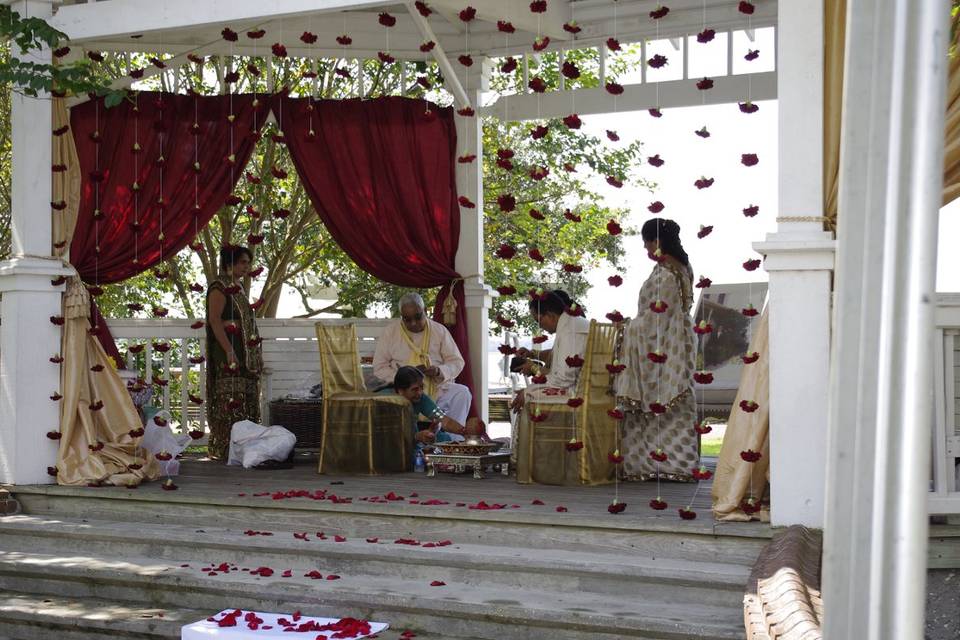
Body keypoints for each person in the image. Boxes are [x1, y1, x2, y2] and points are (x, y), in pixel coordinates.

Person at [616, 218, 698, 481]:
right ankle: (677, 465)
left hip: (662, 348)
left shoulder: (664, 275)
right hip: (679, 345)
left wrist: (626, 328)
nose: (646, 250)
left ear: (656, 241)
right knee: (675, 404)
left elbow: (654, 322)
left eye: (646, 243)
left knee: (654, 405)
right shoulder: (683, 269)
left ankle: (651, 465)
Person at [373, 292, 472, 425]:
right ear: (401, 316)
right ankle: (412, 437)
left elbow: (456, 362)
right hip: (405, 392)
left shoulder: (439, 330)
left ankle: (452, 440)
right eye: (407, 319)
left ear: (425, 311)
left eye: (418, 317)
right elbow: (379, 367)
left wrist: (438, 371)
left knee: (462, 393)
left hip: (436, 388)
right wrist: (404, 377)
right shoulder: (390, 332)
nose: (413, 323)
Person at [205, 246, 263, 461]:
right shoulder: (219, 287)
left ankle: (242, 448)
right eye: (243, 262)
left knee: (245, 398)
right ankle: (224, 448)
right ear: (230, 264)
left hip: (244, 351)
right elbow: (214, 320)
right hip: (228, 351)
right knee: (229, 400)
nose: (247, 267)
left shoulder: (237, 287)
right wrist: (229, 350)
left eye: (248, 263)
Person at [510, 289, 590, 412]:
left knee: (527, 399)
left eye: (539, 321)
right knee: (528, 393)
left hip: (578, 392)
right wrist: (533, 356)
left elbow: (564, 380)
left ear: (550, 315)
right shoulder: (571, 323)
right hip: (581, 387)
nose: (540, 327)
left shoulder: (569, 331)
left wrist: (529, 389)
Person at [386, 366, 482, 447]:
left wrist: (464, 432)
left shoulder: (421, 399)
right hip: (391, 443)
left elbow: (443, 420)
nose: (420, 393)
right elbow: (392, 436)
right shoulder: (387, 403)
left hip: (413, 437)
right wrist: (417, 437)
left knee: (444, 438)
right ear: (400, 391)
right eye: (415, 389)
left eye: (421, 387)